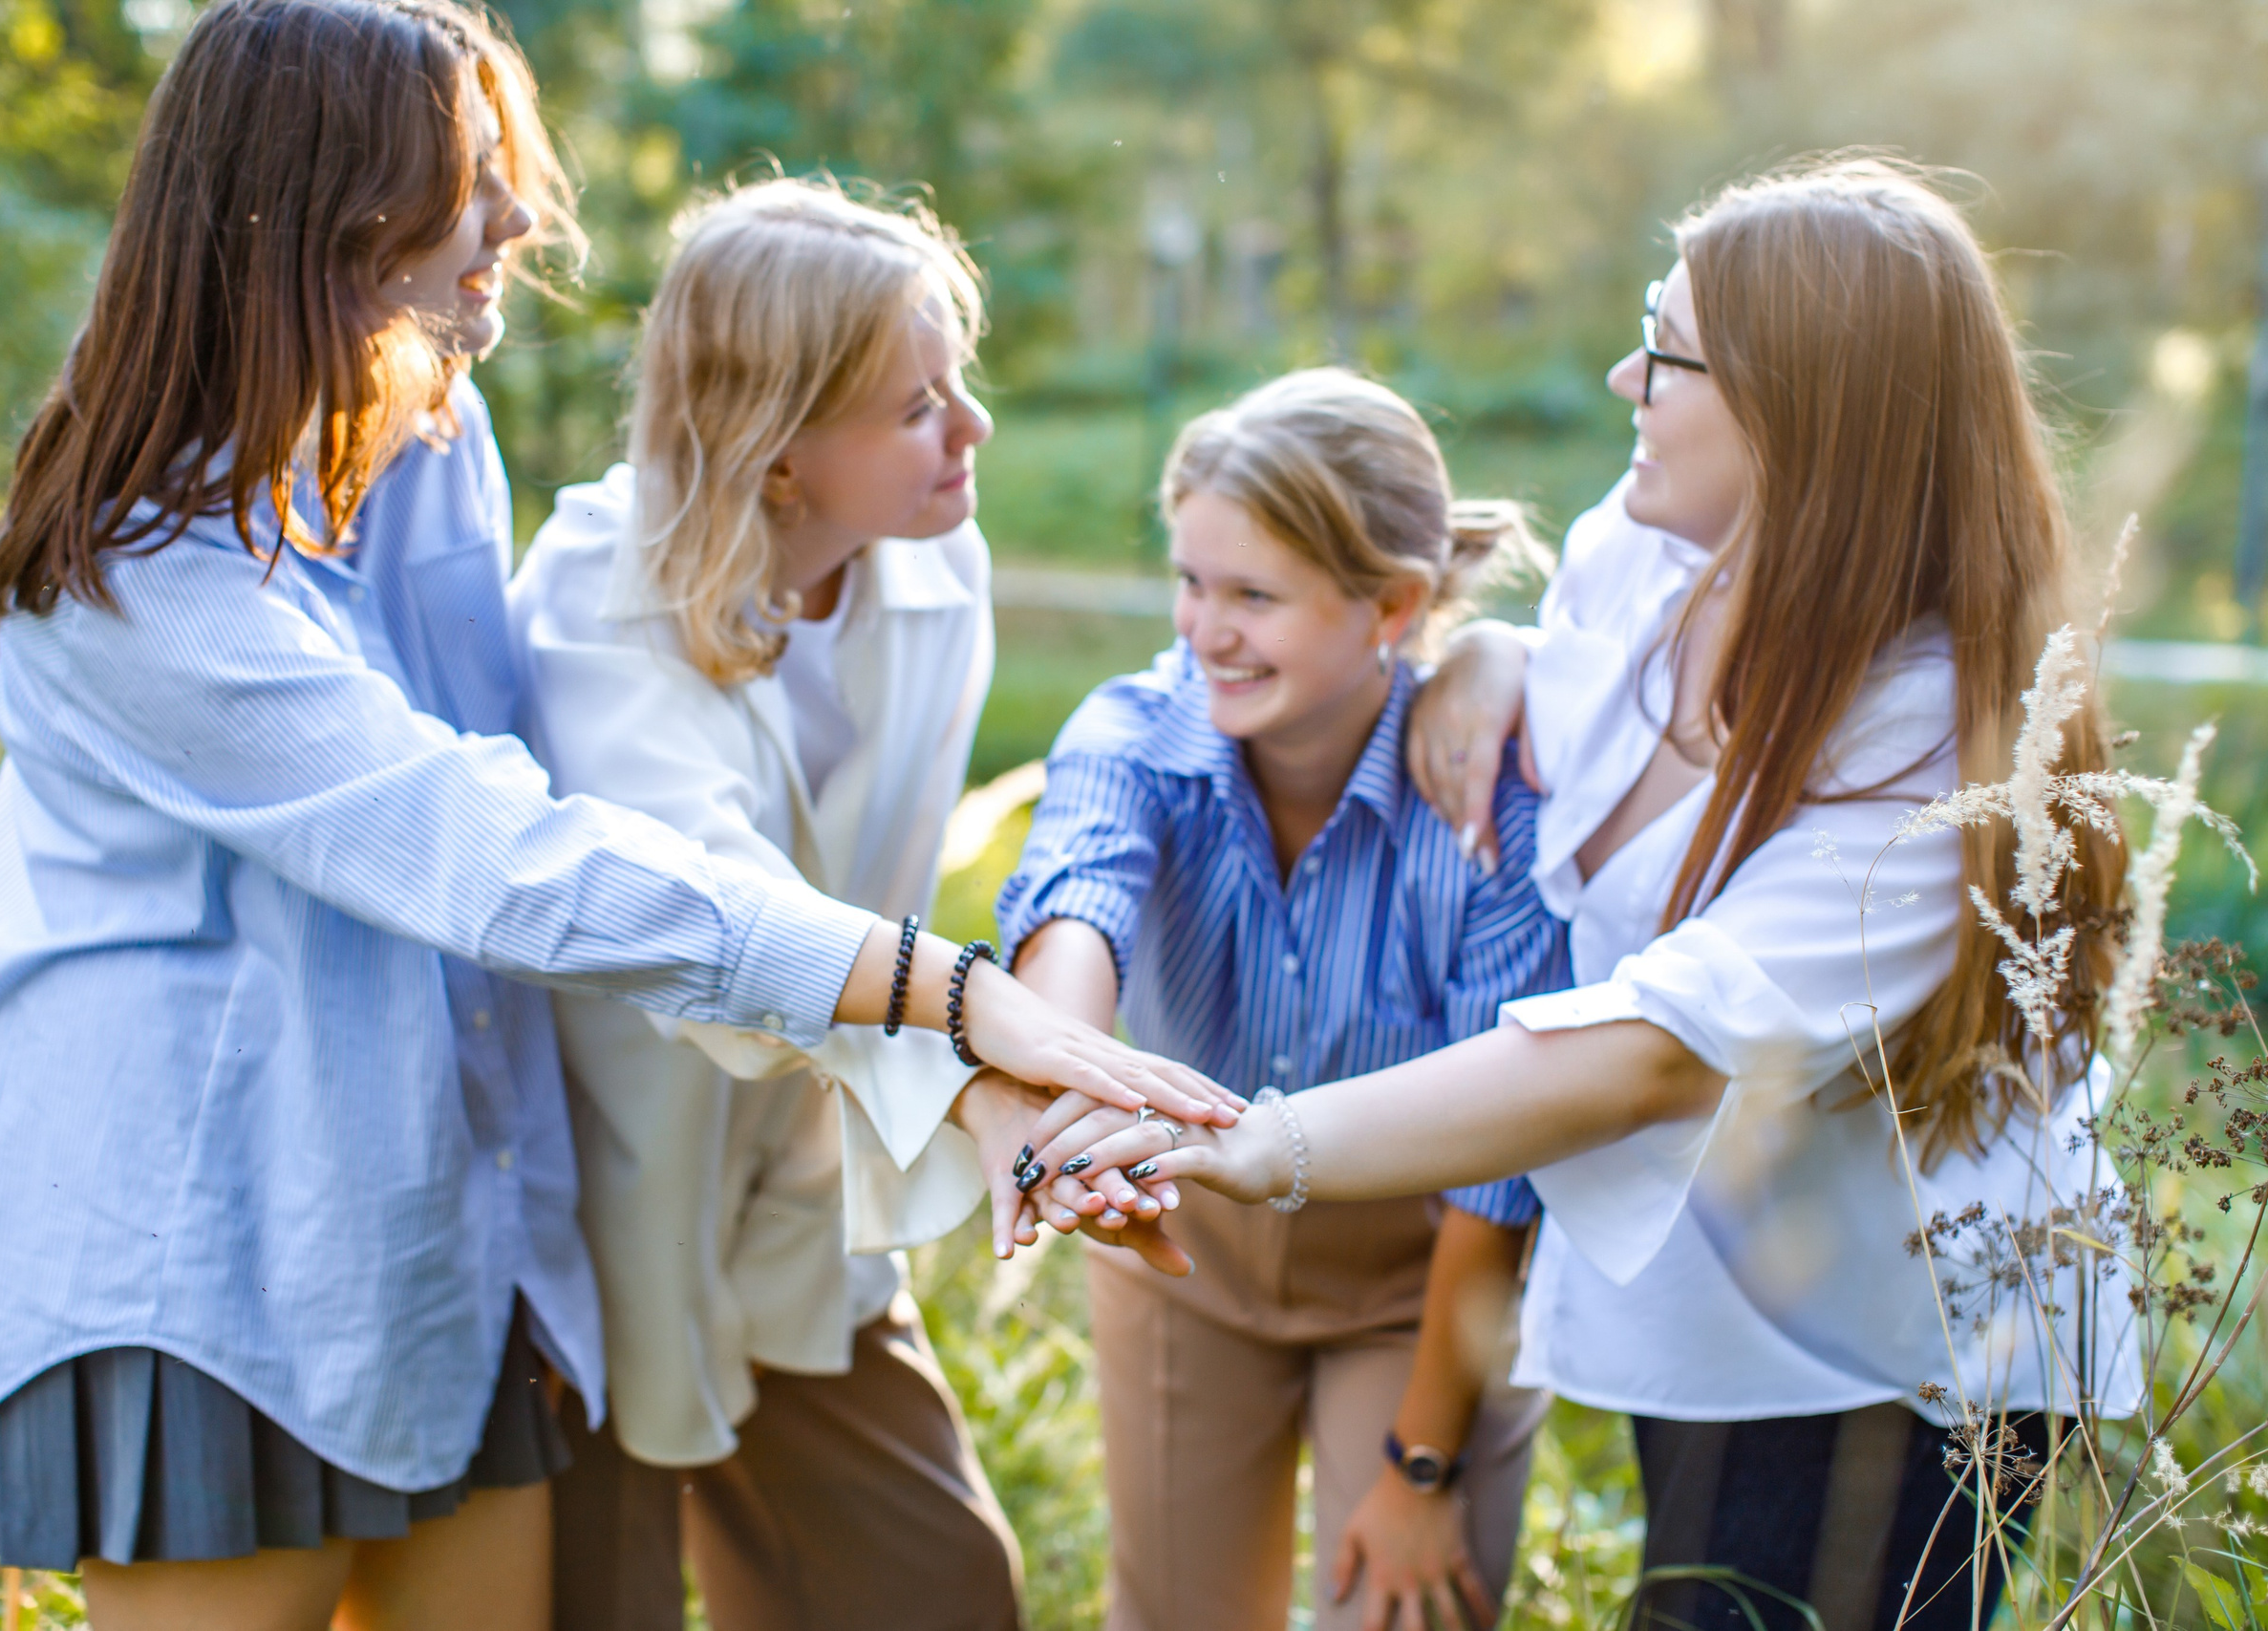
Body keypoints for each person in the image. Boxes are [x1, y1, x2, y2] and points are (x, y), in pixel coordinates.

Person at [0, 8, 1230, 1627]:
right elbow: (495, 852)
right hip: (212, 1259)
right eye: (473, 182)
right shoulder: (138, 582)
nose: (524, 223)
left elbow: (538, 798)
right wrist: (952, 995)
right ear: (335, 214)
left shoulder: (425, 441)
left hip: (444, 1227)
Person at [1031, 159, 2141, 1631]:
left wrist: (1258, 1141)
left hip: (1904, 1350)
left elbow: (1656, 1050)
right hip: (1712, 1296)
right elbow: (1564, 742)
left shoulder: (1941, 734)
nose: (1626, 372)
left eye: (1668, 354)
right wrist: (1485, 662)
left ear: (1800, 410)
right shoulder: (1641, 557)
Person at [510, 178, 1031, 1630]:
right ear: (778, 451)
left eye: (959, 383)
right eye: (920, 405)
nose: (972, 429)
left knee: (940, 1588)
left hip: (813, 1179)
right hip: (617, 1188)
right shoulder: (594, 596)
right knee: (600, 1603)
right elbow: (718, 924)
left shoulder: (942, 561)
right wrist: (982, 1077)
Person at [993, 369, 1570, 1631]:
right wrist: (1060, 1062)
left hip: (1426, 1277)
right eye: (1192, 583)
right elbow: (1075, 900)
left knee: (1403, 1609)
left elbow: (1501, 1169)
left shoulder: (1489, 807)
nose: (1207, 630)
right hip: (1193, 1262)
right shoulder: (1138, 735)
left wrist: (1424, 1470)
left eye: (1255, 595)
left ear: (1393, 606)